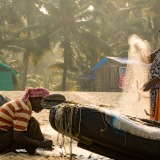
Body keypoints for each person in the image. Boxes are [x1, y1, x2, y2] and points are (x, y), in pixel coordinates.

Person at [0, 87, 53, 155]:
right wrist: (40, 144)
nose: (44, 107)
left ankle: (34, 147)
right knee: (32, 123)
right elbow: (17, 136)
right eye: (43, 102)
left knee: (29, 122)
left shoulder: (21, 103)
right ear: (35, 98)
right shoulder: (23, 109)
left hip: (3, 135)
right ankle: (34, 147)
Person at [143, 48, 160, 121]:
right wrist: (139, 49)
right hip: (155, 89)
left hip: (157, 86)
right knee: (155, 112)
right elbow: (147, 60)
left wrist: (152, 82)